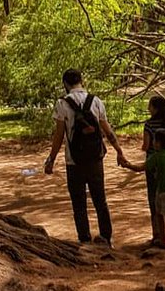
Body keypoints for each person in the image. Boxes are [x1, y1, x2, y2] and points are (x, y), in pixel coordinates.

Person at [44, 69, 124, 246]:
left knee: (78, 202)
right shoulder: (96, 101)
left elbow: (59, 136)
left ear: (65, 83)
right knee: (100, 199)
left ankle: (85, 239)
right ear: (82, 81)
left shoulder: (62, 104)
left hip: (74, 161)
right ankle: (106, 237)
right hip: (96, 158)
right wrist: (119, 150)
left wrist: (51, 159)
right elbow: (107, 130)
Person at [121, 129, 165, 250]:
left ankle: (163, 241)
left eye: (155, 140)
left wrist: (127, 164)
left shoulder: (156, 156)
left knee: (160, 216)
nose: (153, 143)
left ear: (159, 143)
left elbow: (140, 168)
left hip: (162, 191)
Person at [141, 95, 165, 247]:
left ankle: (157, 234)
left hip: (153, 163)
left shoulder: (149, 124)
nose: (148, 109)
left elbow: (146, 145)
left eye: (150, 106)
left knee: (153, 198)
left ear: (155, 108)